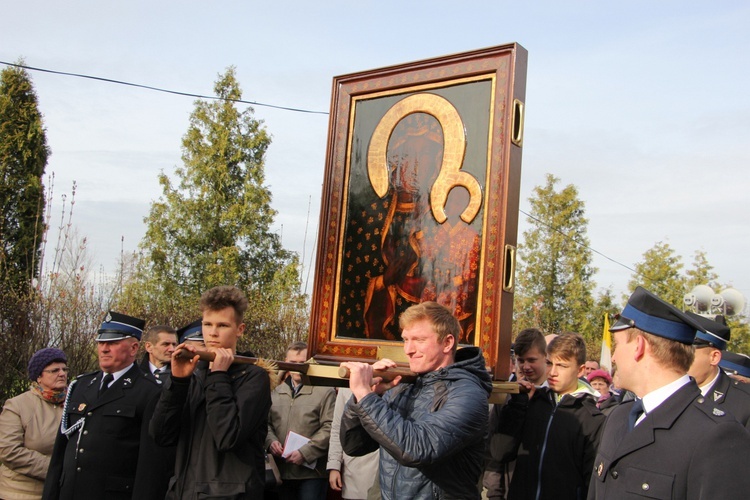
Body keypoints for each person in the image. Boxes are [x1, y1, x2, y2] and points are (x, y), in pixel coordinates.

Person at [588, 286, 750, 499]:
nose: (614, 358)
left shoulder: (715, 434)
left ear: (639, 346)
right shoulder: (618, 417)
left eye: (617, 346)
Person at [340, 301, 493, 499]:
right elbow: (355, 445)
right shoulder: (403, 386)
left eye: (419, 340)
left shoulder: (468, 393)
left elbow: (418, 449)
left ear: (447, 343)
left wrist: (365, 396)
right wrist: (367, 396)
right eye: (405, 340)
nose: (408, 350)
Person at [149, 285, 273, 499]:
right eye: (207, 324)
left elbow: (228, 437)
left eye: (222, 325)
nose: (213, 332)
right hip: (183, 492)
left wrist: (218, 376)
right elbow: (161, 435)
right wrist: (178, 383)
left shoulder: (254, 377)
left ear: (240, 329)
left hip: (228, 495)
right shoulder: (194, 372)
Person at [42, 312, 166, 500]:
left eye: (113, 343)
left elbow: (149, 464)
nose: (104, 349)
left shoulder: (149, 392)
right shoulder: (81, 385)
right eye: (101, 343)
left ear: (134, 348)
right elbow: (61, 452)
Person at [494, 333, 605, 499]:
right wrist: (517, 405)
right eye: (549, 363)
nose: (552, 372)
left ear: (580, 370)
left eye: (562, 365)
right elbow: (499, 452)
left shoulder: (592, 419)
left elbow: (591, 482)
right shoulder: (532, 401)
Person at [266, 342, 336, 500]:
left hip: (312, 474)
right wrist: (271, 441)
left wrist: (305, 452)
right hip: (281, 471)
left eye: (302, 363)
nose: (297, 367)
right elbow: (265, 424)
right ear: (286, 362)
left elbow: (330, 427)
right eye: (293, 363)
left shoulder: (325, 391)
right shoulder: (274, 392)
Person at [485, 329, 547, 500]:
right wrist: (495, 493)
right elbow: (494, 452)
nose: (526, 367)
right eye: (521, 360)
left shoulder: (554, 397)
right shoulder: (506, 397)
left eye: (532, 360)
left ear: (545, 357)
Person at [0, 348, 68, 499]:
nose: (62, 373)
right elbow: (9, 451)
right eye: (54, 370)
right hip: (22, 493)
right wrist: (57, 469)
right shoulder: (17, 406)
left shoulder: (76, 403)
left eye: (64, 369)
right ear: (39, 377)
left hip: (63, 492)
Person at [686, 313, 750, 429]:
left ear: (714, 357)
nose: (678, 359)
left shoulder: (745, 401)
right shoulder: (667, 392)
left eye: (688, 354)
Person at [326, 388, 379, 500]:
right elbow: (337, 427)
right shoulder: (346, 388)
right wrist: (334, 465)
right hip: (355, 467)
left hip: (383, 466)